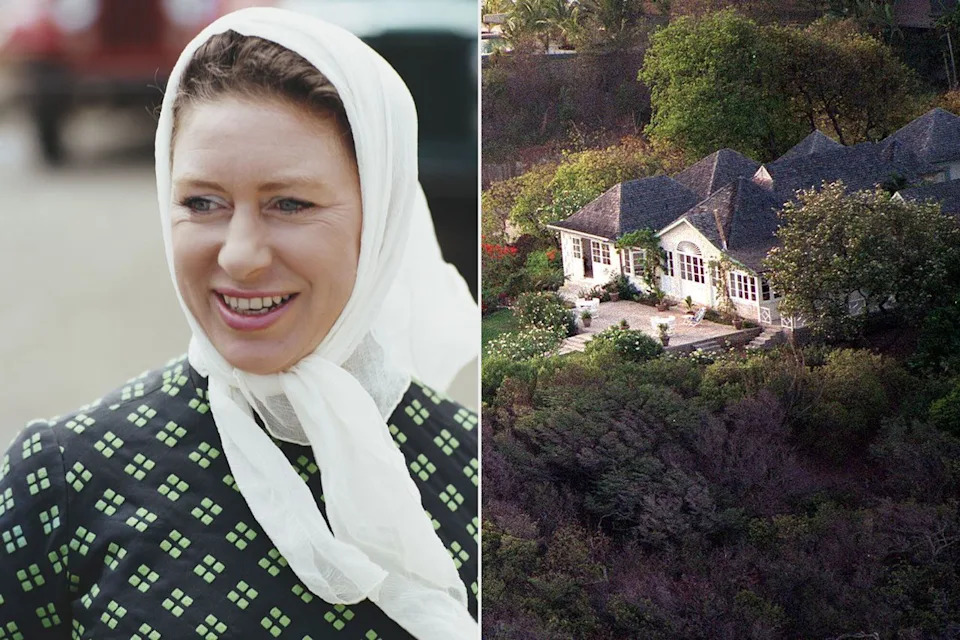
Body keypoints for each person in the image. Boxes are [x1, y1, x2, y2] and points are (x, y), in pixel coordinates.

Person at [0, 8, 478, 639]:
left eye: (289, 203)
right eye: (202, 203)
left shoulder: (481, 474)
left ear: (379, 218)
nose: (240, 255)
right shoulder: (62, 480)